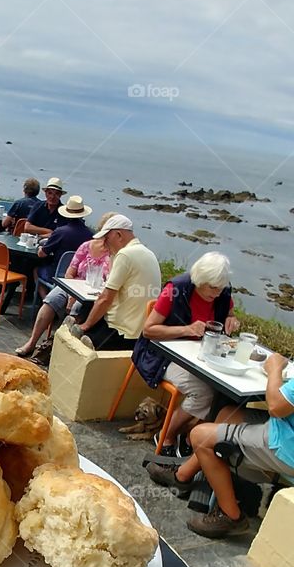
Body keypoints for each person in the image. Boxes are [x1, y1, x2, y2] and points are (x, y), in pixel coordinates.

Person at [147, 355, 294, 537]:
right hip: (284, 425)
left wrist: (274, 370)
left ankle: (231, 516)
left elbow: (276, 406)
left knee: (199, 436)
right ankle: (182, 476)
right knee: (227, 412)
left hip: (286, 445)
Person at [132, 253, 239, 454]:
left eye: (220, 288)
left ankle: (193, 437)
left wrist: (232, 320)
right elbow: (149, 330)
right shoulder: (176, 289)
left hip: (200, 356)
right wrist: (186, 330)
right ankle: (165, 436)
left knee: (225, 394)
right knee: (203, 392)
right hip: (162, 356)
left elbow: (230, 314)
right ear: (200, 280)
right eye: (212, 288)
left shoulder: (223, 292)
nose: (216, 294)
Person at [17, 214, 160, 358]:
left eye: (107, 238)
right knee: (80, 312)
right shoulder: (147, 253)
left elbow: (105, 299)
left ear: (118, 235)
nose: (104, 242)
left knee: (78, 327)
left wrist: (85, 326)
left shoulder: (125, 255)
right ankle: (48, 349)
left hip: (120, 330)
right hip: (139, 331)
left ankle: (50, 353)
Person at [16, 211, 112, 357]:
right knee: (51, 300)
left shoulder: (117, 254)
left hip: (94, 294)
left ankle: (53, 348)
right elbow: (70, 271)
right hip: (74, 285)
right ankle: (32, 342)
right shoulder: (87, 246)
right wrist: (71, 294)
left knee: (78, 309)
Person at [35, 195, 94, 284]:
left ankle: (45, 297)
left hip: (57, 273)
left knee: (36, 270)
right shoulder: (90, 234)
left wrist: (40, 247)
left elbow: (42, 254)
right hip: (78, 275)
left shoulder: (60, 232)